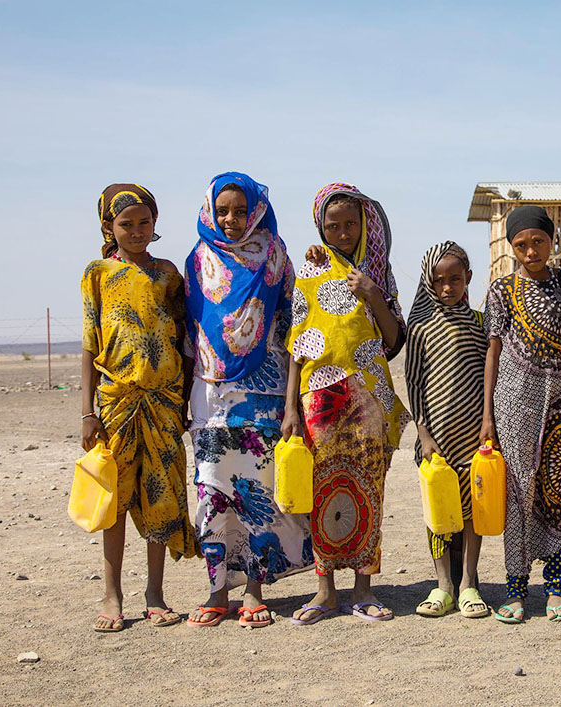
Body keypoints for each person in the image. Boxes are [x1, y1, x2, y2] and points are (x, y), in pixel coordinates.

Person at [183, 172, 311, 628]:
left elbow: (294, 327)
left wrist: (293, 403)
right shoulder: (197, 259)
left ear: (255, 209)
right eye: (223, 211)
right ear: (210, 212)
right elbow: (190, 330)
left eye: (240, 210)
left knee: (256, 493)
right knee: (212, 492)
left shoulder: (275, 257)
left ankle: (255, 590)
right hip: (211, 394)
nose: (232, 220)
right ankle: (217, 591)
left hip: (264, 393)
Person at [283, 183, 408, 624]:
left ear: (364, 224)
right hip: (319, 396)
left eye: (350, 225)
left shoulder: (378, 273)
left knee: (369, 490)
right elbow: (298, 343)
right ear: (321, 227)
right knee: (322, 491)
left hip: (369, 397)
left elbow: (394, 340)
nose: (341, 233)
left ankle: (363, 588)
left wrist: (372, 292)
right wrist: (290, 408)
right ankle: (324, 590)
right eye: (332, 226)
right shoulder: (310, 271)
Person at [80, 184, 199, 632]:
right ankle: (111, 596)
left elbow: (185, 342)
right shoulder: (97, 274)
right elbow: (90, 345)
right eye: (126, 224)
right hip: (115, 405)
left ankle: (155, 593)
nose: (136, 231)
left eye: (145, 222)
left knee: (159, 497)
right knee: (116, 499)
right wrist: (87, 413)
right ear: (108, 226)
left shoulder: (168, 274)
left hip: (164, 404)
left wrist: (185, 400)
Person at [481, 205, 561, 624]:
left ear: (551, 241)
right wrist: (487, 414)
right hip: (513, 402)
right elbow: (493, 352)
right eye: (520, 245)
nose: (530, 251)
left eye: (537, 242)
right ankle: (516, 589)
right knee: (519, 496)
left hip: (560, 399)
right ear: (512, 247)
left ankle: (558, 590)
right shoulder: (501, 291)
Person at [405, 241, 489, 619]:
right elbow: (414, 383)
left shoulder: (480, 323)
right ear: (428, 282)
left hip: (474, 432)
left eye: (455, 279)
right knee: (439, 508)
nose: (447, 288)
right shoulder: (420, 328)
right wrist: (423, 434)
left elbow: (490, 377)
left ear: (468, 278)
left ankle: (469, 582)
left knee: (473, 508)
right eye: (439, 281)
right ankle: (443, 586)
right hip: (436, 434)